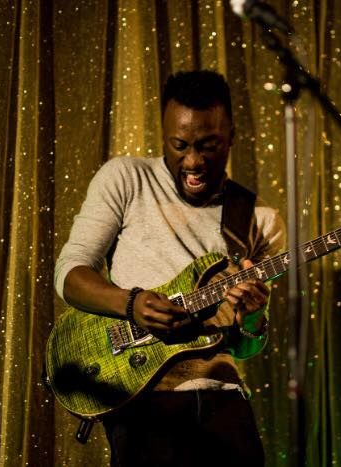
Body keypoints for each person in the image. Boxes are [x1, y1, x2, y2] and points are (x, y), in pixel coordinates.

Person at [54, 70, 285, 466]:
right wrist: (131, 303)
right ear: (164, 134)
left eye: (208, 146)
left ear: (231, 136)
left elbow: (245, 347)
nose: (192, 162)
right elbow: (70, 273)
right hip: (145, 396)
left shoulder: (257, 218)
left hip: (223, 398)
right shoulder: (126, 179)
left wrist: (253, 317)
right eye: (179, 145)